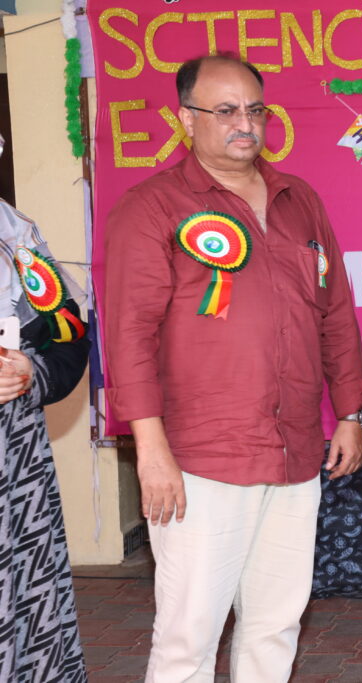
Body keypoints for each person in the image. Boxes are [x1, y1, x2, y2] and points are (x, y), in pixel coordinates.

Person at [102, 55, 362, 682]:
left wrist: (351, 413)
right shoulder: (152, 207)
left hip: (294, 452)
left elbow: (335, 312)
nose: (244, 124)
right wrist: (151, 452)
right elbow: (130, 336)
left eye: (255, 110)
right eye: (225, 111)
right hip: (200, 459)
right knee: (188, 637)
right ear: (185, 118)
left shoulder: (299, 200)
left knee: (276, 625)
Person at [0, 160, 89, 682]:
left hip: (16, 462)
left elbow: (69, 335)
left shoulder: (16, 233)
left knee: (25, 606)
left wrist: (32, 372)